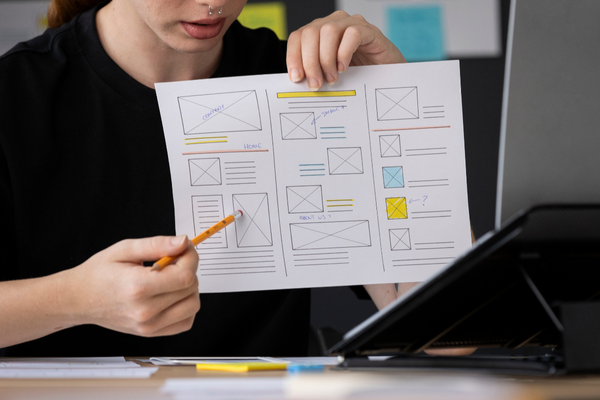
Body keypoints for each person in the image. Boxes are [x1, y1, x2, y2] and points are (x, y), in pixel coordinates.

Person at [0, 0, 470, 357]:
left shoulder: (306, 81)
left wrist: (393, 104)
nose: (213, 4)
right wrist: (77, 299)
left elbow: (449, 338)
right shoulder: (16, 94)